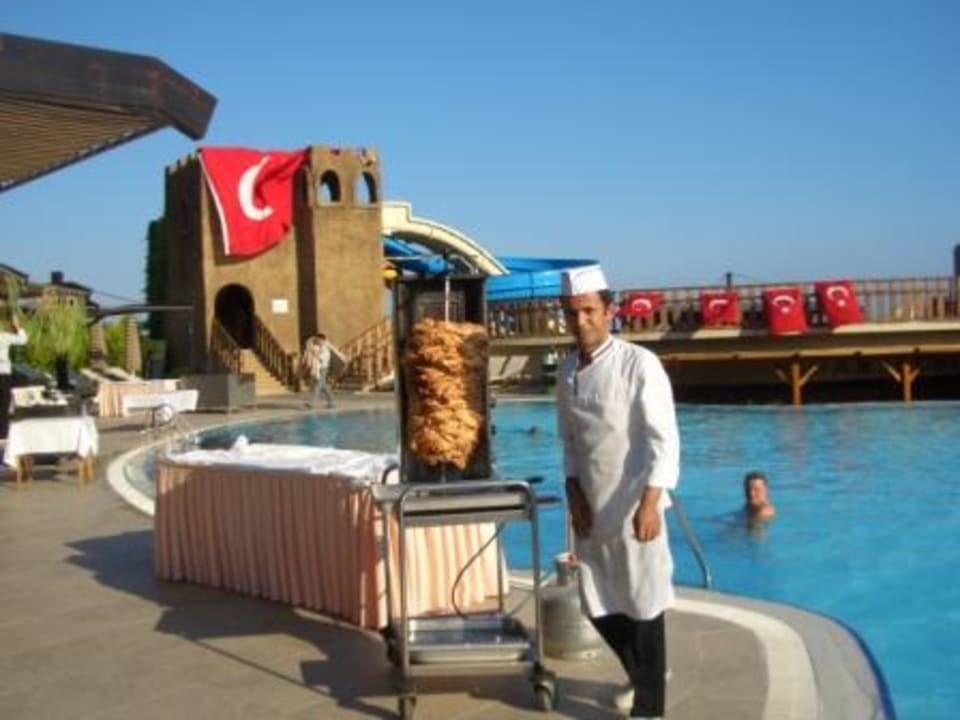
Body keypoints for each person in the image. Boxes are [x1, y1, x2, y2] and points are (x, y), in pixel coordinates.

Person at [556, 264, 679, 720]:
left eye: (589, 311)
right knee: (598, 604)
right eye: (573, 313)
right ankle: (647, 674)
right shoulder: (567, 370)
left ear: (609, 311)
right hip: (591, 506)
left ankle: (650, 708)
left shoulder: (638, 363)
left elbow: (664, 439)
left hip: (633, 505)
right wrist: (573, 493)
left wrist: (651, 503)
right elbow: (569, 441)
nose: (581, 321)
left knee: (644, 606)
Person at [0, 313, 28, 439]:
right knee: (3, 405)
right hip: (4, 374)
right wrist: (17, 326)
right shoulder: (3, 336)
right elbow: (23, 339)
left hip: (4, 373)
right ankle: (2, 436)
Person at [301, 333, 334, 410]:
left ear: (322, 340)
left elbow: (322, 359)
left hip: (323, 369)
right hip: (318, 369)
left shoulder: (325, 349)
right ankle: (331, 402)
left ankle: (311, 404)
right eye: (317, 340)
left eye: (318, 340)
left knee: (317, 386)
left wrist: (316, 354)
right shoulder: (318, 347)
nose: (317, 341)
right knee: (323, 386)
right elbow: (309, 347)